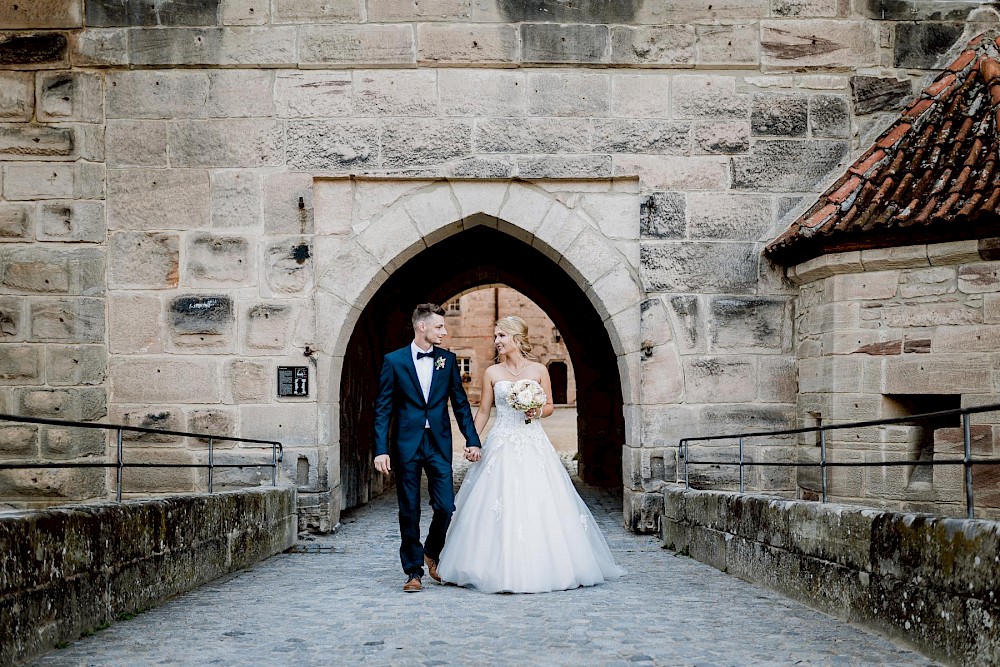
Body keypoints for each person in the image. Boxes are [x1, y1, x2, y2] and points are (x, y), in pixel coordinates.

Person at [436, 315, 625, 593]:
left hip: (532, 440)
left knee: (539, 498)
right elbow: (485, 410)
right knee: (496, 498)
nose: (496, 341)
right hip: (502, 440)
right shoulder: (491, 373)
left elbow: (549, 406)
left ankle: (545, 564)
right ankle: (486, 566)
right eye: (495, 336)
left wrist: (534, 410)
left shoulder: (538, 370)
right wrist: (472, 441)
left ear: (516, 338)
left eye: (501, 336)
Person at [373, 303, 482, 593]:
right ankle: (413, 571)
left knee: (445, 506)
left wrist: (472, 439)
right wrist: (380, 449)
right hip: (406, 443)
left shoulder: (447, 360)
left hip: (438, 442)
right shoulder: (394, 361)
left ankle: (431, 551)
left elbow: (460, 403)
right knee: (408, 509)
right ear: (422, 327)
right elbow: (383, 409)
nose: (444, 332)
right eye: (439, 327)